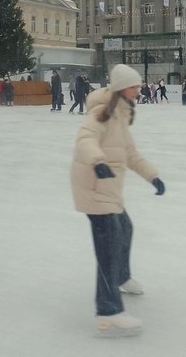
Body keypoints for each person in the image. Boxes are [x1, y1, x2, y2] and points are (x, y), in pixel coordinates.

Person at [70, 64, 165, 336]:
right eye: (135, 86)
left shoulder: (121, 114)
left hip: (108, 190)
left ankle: (121, 277)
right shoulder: (103, 112)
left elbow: (131, 154)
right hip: (94, 187)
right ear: (123, 88)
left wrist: (153, 177)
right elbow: (85, 138)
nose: (139, 90)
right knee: (108, 247)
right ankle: (109, 311)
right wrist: (97, 161)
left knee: (125, 229)